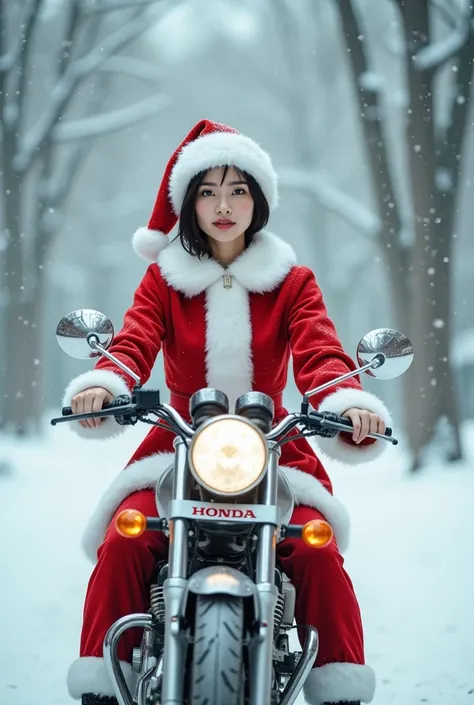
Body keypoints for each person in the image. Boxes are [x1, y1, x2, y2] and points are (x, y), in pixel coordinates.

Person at [63, 119, 392, 705]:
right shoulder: (164, 280)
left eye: (238, 189)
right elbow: (134, 342)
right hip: (179, 445)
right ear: (189, 202)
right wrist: (106, 384)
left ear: (259, 200)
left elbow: (319, 350)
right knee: (126, 539)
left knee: (316, 548)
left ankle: (340, 688)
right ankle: (102, 684)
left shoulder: (292, 282)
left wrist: (345, 402)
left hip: (275, 446)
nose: (223, 204)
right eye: (208, 190)